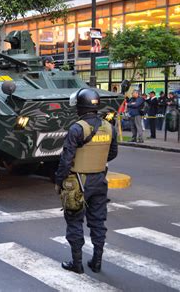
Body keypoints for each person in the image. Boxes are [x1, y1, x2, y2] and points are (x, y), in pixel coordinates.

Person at [55, 88, 118, 274]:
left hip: (77, 181)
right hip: (100, 179)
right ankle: (97, 262)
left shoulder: (77, 128)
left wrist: (59, 182)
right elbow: (113, 153)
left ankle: (77, 263)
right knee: (98, 221)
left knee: (74, 221)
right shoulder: (109, 127)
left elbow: (66, 160)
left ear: (80, 107)